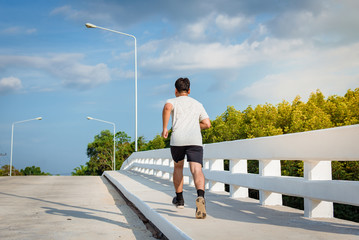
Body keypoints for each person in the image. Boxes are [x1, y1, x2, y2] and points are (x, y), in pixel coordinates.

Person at [161, 77, 211, 219]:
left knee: (178, 167)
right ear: (189, 90)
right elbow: (207, 124)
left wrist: (165, 128)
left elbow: (167, 108)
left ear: (176, 90)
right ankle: (200, 197)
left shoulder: (172, 101)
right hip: (195, 139)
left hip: (178, 139)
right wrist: (195, 126)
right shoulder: (197, 104)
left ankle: (180, 199)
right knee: (196, 169)